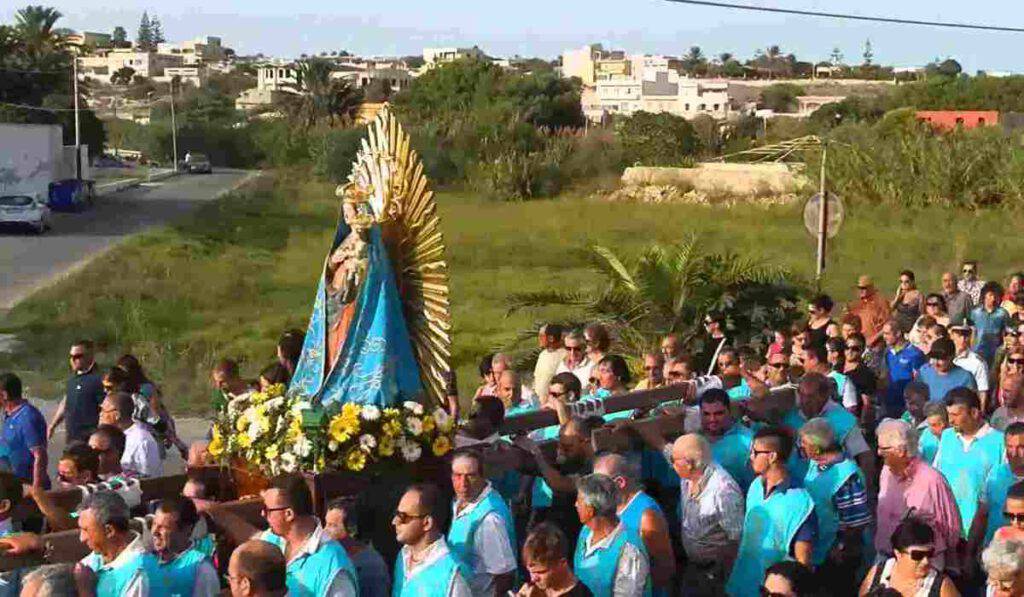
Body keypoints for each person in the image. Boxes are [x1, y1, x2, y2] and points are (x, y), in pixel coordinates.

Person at [726, 426, 816, 596]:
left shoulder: (801, 504)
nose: (750, 457)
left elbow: (802, 565)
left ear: (772, 456)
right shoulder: (755, 486)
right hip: (740, 585)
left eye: (755, 452)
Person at [874, 419, 962, 571]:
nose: (878, 452)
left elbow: (951, 527)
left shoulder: (931, 480)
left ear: (900, 451)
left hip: (923, 563)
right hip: (886, 557)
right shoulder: (886, 473)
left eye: (884, 448)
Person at [798, 418, 871, 591]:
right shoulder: (815, 464)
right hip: (817, 548)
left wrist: (840, 548)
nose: (801, 446)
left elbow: (857, 522)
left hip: (835, 555)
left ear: (816, 447)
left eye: (804, 443)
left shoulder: (846, 476)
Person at [257, 474, 358, 595]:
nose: (262, 514)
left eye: (267, 510)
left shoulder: (334, 566)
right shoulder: (271, 540)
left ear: (288, 514)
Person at [670, 434, 744, 595]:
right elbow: (664, 448)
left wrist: (722, 576)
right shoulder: (689, 476)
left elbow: (735, 538)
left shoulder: (723, 490)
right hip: (694, 565)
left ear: (689, 464)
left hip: (715, 571)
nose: (672, 464)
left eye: (673, 460)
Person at [593, 453, 675, 595]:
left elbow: (664, 569)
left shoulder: (647, 516)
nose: (595, 491)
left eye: (599, 485)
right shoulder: (609, 509)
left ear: (620, 483)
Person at [934, 387, 1005, 549]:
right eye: (949, 415)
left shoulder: (999, 442)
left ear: (974, 413)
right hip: (946, 530)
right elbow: (935, 477)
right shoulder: (947, 437)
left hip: (983, 534)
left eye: (956, 415)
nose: (950, 421)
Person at [781, 372, 875, 483]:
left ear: (825, 396)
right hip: (794, 486)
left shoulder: (843, 420)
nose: (805, 401)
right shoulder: (790, 417)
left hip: (831, 487)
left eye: (811, 397)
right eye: (801, 395)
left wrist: (866, 485)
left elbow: (864, 455)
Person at [515, 416, 599, 539]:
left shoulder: (594, 467)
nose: (562, 452)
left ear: (585, 442)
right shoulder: (572, 461)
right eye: (560, 446)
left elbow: (560, 484)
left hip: (578, 533)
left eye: (568, 447)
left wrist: (537, 454)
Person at [447, 449, 516, 596]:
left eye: (470, 476)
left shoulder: (490, 520)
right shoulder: (461, 500)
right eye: (457, 476)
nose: (463, 483)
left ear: (482, 476)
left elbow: (504, 575)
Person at [572, 473, 650, 597]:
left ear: (590, 510)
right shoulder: (585, 532)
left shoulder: (629, 551)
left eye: (579, 501)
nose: (575, 504)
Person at [392, 484, 471, 597]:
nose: (394, 521)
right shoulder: (403, 557)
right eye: (396, 514)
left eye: (403, 516)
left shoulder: (452, 574)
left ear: (427, 523)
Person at [140, 496, 220, 597]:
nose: (154, 532)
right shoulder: (146, 559)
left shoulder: (201, 568)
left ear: (187, 530)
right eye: (154, 524)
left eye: (164, 527)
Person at [859, 517, 959, 597]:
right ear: (898, 554)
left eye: (929, 554)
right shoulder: (878, 574)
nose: (926, 561)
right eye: (918, 555)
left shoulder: (941, 586)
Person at [78, 490, 148, 596]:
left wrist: (85, 592)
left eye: (86, 530)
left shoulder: (137, 574)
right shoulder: (95, 558)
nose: (81, 538)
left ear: (109, 531)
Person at [323, 497, 391, 597]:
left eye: (332, 525)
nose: (325, 531)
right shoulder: (337, 555)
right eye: (326, 524)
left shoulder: (371, 567)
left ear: (352, 530)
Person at [48, 339, 105, 443]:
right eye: (71, 356)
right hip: (71, 437)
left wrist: (101, 435)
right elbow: (66, 402)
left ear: (89, 356)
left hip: (89, 440)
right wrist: (52, 425)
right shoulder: (72, 380)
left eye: (78, 356)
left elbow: (105, 408)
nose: (73, 360)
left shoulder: (98, 380)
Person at [515, 523, 592, 596]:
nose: (533, 579)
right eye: (531, 572)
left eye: (541, 572)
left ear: (562, 563)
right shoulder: (534, 589)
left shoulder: (580, 594)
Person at [0, 373, 48, 489]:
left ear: (4, 395)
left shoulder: (27, 417)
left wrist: (36, 490)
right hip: (10, 482)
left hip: (26, 485)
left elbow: (40, 455)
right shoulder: (9, 415)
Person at [981, 423, 1024, 546]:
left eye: (1021, 447)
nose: (1014, 453)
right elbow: (982, 514)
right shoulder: (995, 474)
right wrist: (969, 554)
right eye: (1010, 447)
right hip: (995, 555)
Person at [101, 391, 162, 478]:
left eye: (103, 410)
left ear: (116, 415)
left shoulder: (141, 440)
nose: (100, 414)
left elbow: (148, 477)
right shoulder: (109, 435)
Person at [882, 321, 927, 418]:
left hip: (908, 404)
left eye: (887, 334)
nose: (884, 337)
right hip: (892, 402)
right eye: (883, 334)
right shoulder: (888, 353)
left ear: (898, 333)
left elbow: (920, 379)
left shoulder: (914, 353)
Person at [916, 338, 976, 405]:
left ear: (952, 357)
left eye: (941, 359)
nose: (936, 363)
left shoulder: (965, 377)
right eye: (933, 357)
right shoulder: (924, 372)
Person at [949, 325, 991, 411]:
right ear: (952, 335)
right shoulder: (945, 357)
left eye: (966, 335)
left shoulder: (977, 362)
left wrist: (981, 413)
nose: (963, 339)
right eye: (959, 335)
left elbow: (982, 391)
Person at [970, 281, 1010, 366]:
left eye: (996, 296)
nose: (993, 298)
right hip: (978, 350)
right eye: (991, 295)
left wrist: (1004, 347)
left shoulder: (1002, 313)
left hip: (995, 351)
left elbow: (1006, 332)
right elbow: (973, 332)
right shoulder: (975, 313)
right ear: (984, 296)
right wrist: (971, 348)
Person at [846, 275, 891, 349]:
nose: (861, 290)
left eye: (864, 288)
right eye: (859, 288)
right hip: (858, 344)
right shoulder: (857, 303)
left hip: (875, 345)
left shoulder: (880, 303)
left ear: (871, 288)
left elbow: (887, 325)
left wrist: (872, 340)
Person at [843, 332, 877, 423]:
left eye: (855, 349)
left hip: (854, 420)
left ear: (862, 350)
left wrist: (862, 426)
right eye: (847, 347)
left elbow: (867, 404)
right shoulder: (838, 367)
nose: (849, 351)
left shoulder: (865, 374)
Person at [534, 324, 567, 400]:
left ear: (551, 338)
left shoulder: (564, 355)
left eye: (541, 336)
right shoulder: (542, 355)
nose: (539, 339)